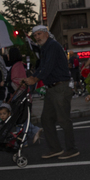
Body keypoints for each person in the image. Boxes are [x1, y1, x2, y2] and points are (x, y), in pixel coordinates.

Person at [23, 25, 79, 160]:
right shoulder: (45, 48)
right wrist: (30, 78)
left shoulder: (52, 46)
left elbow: (48, 66)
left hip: (60, 87)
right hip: (51, 88)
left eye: (39, 34)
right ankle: (55, 148)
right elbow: (42, 66)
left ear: (46, 34)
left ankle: (71, 149)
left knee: (63, 119)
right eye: (35, 35)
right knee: (46, 119)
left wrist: (34, 78)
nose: (37, 37)